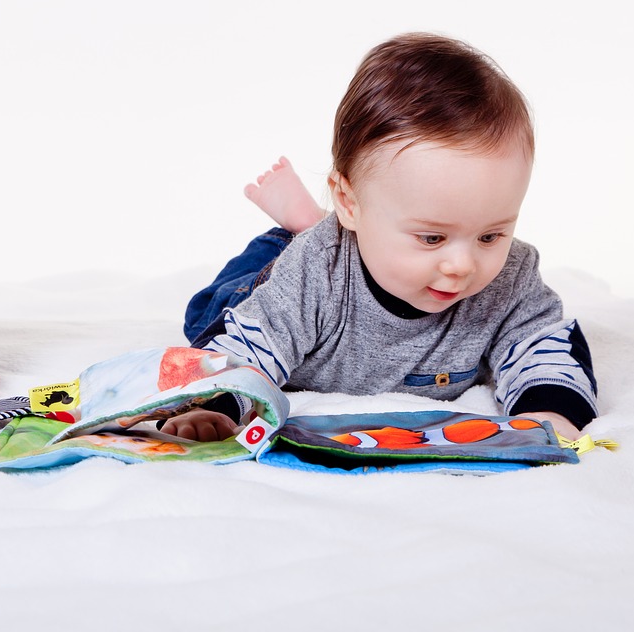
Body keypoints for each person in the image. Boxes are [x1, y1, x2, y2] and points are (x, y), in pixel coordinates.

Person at [164, 33, 596, 442]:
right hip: (268, 276)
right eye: (432, 238)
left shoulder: (510, 279)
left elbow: (544, 347)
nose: (462, 265)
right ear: (349, 202)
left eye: (490, 235)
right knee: (208, 315)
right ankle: (305, 227)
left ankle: (320, 220)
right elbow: (250, 344)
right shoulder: (317, 271)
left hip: (354, 237)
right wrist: (213, 406)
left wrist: (549, 411)